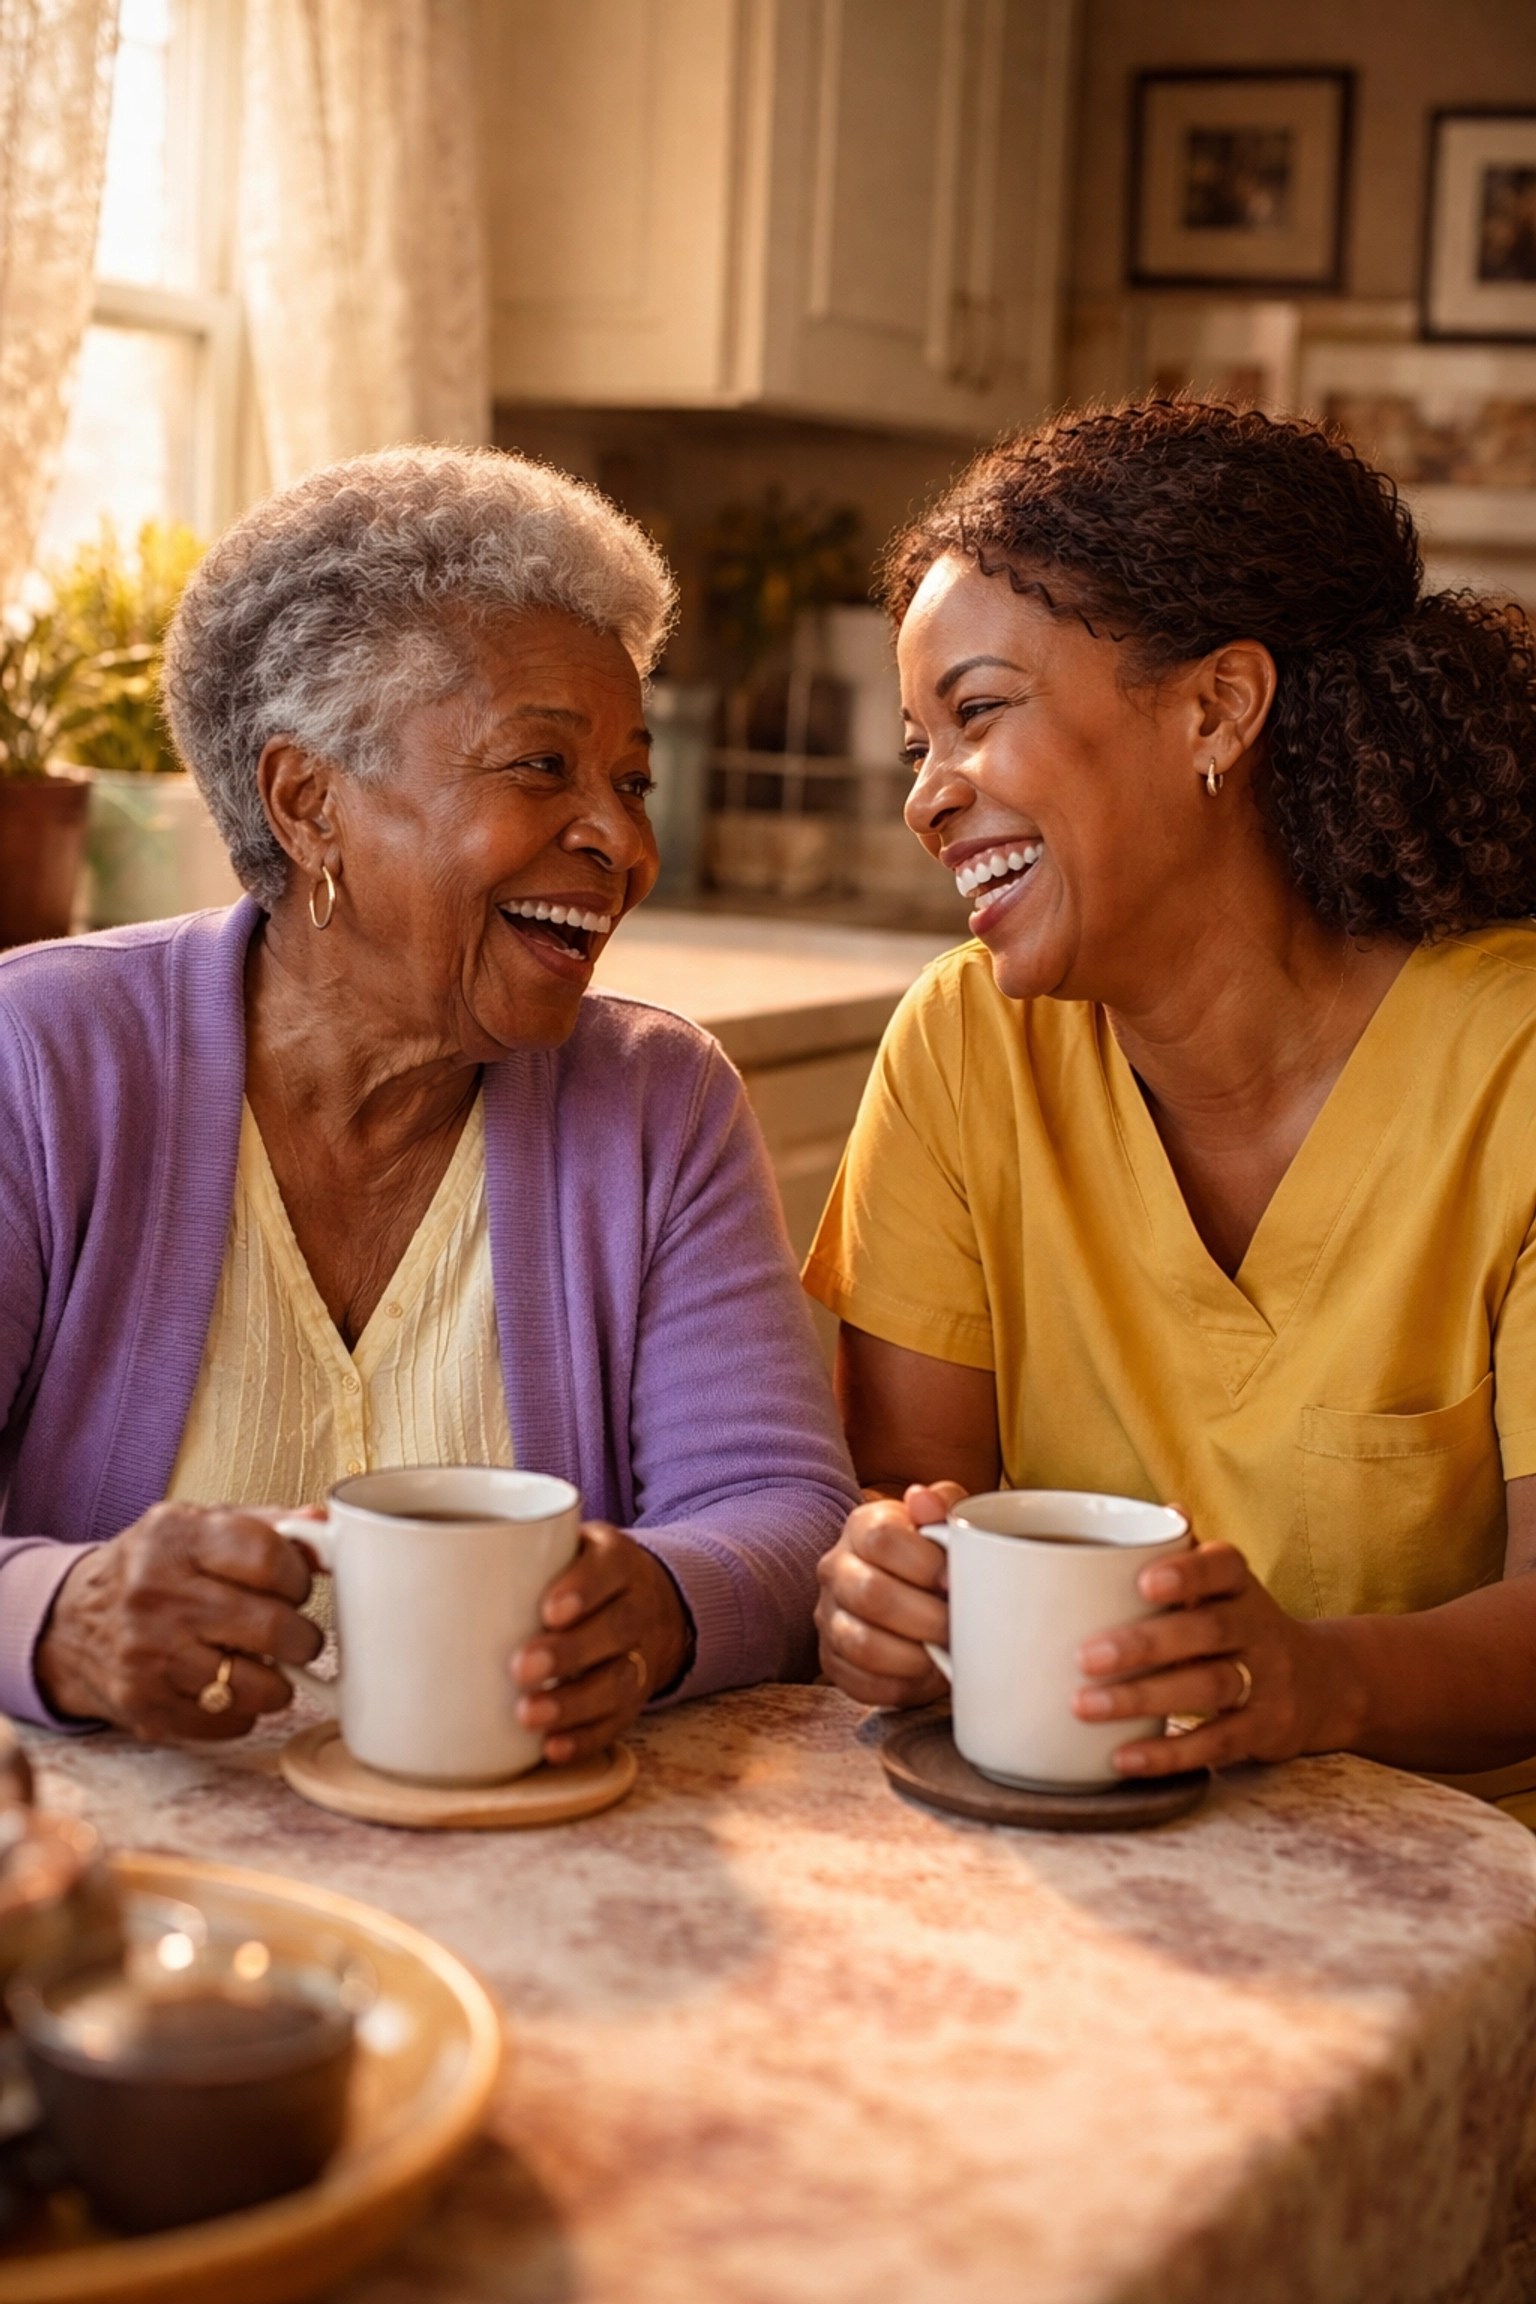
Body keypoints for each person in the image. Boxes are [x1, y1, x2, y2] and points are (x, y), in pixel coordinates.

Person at [0, 445, 857, 1754]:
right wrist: (64, 1616)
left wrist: (667, 1606)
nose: (625, 845)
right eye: (540, 768)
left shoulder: (658, 1104)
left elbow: (781, 1513)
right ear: (308, 804)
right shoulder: (42, 1056)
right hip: (131, 1896)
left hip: (550, 1881)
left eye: (629, 781)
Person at [807, 397, 1536, 1795]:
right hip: (1064, 1848)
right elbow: (899, 1502)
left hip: (1461, 1895)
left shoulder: (1512, 1065)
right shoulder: (964, 1050)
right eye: (917, 748)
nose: (927, 799)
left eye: (976, 715)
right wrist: (880, 1590)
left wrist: (1316, 1679)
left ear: (1218, 707)